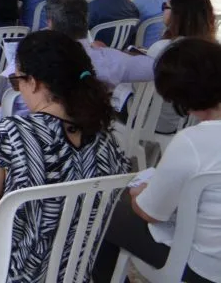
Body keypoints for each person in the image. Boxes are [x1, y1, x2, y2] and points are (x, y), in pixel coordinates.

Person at [0, 30, 130, 282]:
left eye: (17, 82)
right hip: (73, 272)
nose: (19, 90)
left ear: (35, 82)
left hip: (12, 274)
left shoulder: (12, 133)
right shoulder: (108, 140)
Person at [0, 0, 154, 137]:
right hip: (83, 132)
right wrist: (127, 53)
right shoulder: (109, 60)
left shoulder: (32, 56)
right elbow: (154, 68)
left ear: (50, 23)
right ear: (85, 22)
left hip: (20, 131)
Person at [93, 38, 221, 283]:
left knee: (103, 214)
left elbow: (151, 213)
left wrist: (138, 194)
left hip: (202, 269)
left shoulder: (192, 142)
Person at [145, 0, 216, 134]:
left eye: (165, 6)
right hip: (194, 123)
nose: (163, 10)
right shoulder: (213, 51)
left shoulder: (163, 49)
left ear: (178, 14)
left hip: (159, 123)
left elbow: (141, 86)